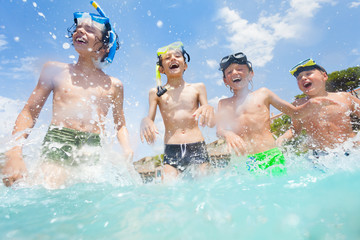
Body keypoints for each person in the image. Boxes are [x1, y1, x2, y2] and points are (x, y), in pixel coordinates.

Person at [2, 2, 133, 187]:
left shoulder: (114, 85)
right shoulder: (55, 70)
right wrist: (14, 152)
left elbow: (121, 125)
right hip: (59, 140)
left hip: (93, 147)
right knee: (50, 188)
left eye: (89, 29)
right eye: (78, 28)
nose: (80, 31)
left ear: (104, 47)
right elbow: (30, 112)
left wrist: (127, 149)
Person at [216, 52, 309, 176]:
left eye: (239, 69)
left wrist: (316, 102)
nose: (234, 73)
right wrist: (228, 134)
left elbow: (295, 112)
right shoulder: (223, 103)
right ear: (225, 80)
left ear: (251, 74)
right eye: (229, 72)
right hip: (242, 160)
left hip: (270, 156)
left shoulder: (263, 94)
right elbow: (219, 130)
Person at [140, 41, 215, 181]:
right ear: (161, 69)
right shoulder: (156, 93)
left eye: (177, 56)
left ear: (185, 65)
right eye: (167, 58)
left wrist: (209, 108)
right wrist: (145, 121)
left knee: (205, 187)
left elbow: (211, 123)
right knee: (168, 190)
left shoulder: (198, 88)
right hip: (172, 149)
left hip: (196, 146)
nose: (173, 59)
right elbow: (149, 118)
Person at [276, 58, 360, 156]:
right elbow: (295, 130)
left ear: (324, 76)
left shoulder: (344, 97)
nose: (303, 78)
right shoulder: (299, 105)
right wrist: (283, 137)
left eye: (308, 73)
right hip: (319, 156)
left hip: (349, 150)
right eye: (299, 78)